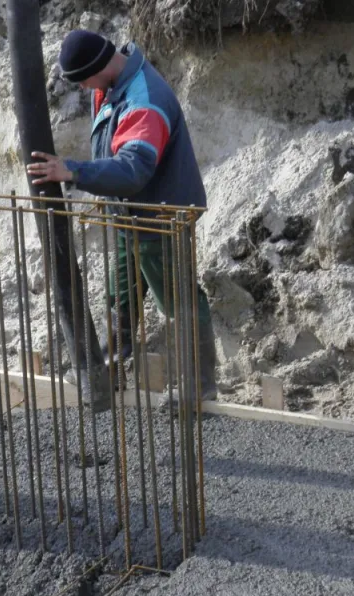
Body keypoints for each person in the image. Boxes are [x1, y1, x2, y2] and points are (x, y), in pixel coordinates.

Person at [27, 29, 217, 400]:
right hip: (128, 216)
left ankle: (199, 387)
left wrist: (75, 171)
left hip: (160, 218)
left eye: (83, 80)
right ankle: (109, 371)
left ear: (98, 67)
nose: (83, 88)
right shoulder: (109, 85)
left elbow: (133, 170)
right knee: (120, 298)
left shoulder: (144, 100)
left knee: (178, 301)